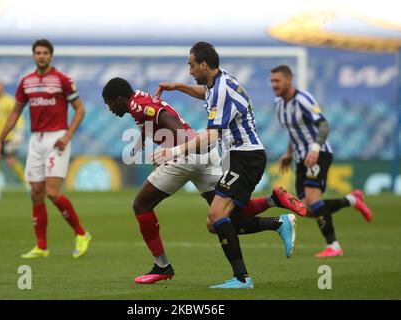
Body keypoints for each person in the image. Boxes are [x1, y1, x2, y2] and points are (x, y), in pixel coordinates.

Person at [103, 77, 304, 286]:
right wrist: (140, 141)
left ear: (119, 99)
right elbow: (152, 119)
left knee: (141, 206)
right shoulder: (140, 99)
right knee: (224, 216)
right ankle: (274, 207)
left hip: (185, 158)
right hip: (205, 155)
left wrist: (175, 151)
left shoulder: (136, 105)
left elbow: (167, 120)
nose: (110, 109)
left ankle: (162, 265)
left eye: (109, 104)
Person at [154, 42, 305, 289]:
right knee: (216, 223)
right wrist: (178, 87)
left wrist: (173, 151)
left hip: (245, 157)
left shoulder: (222, 88)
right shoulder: (215, 84)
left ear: (204, 64)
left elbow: (212, 137)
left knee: (216, 216)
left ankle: (242, 278)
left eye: (191, 65)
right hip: (239, 157)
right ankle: (277, 217)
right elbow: (205, 94)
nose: (189, 71)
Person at [0, 39, 91, 259]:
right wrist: (0, 139)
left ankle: (81, 234)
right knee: (36, 193)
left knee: (52, 192)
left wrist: (67, 135)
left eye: (45, 52)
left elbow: (80, 110)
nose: (41, 56)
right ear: (33, 55)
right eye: (38, 52)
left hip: (57, 138)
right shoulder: (26, 82)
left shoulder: (63, 81)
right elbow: (15, 112)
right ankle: (41, 246)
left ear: (51, 55)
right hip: (36, 140)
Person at [269, 64, 373, 258]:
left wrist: (315, 148)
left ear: (289, 80)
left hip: (318, 154)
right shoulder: (279, 105)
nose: (274, 84)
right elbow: (293, 132)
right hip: (301, 159)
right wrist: (289, 154)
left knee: (314, 200)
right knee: (305, 209)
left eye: (278, 80)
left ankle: (333, 246)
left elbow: (323, 125)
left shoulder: (303, 99)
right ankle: (352, 200)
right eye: (272, 81)